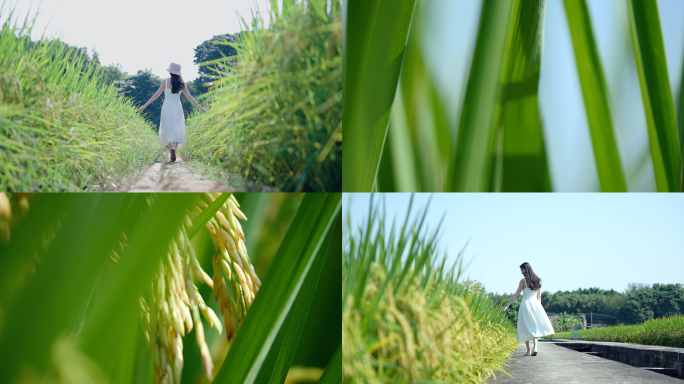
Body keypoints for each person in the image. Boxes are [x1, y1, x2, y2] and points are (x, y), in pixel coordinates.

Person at [139, 62, 205, 162]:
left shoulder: (165, 81)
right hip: (177, 107)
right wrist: (201, 108)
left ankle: (171, 152)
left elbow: (156, 94)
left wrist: (145, 105)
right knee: (177, 128)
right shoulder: (181, 83)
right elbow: (189, 97)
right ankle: (174, 148)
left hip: (167, 107)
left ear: (170, 72)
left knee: (168, 129)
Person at [503, 262, 555, 356]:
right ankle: (535, 347)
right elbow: (539, 297)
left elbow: (516, 295)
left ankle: (528, 350)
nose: (521, 272)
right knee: (536, 326)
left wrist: (507, 305)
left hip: (525, 304)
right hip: (535, 305)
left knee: (526, 326)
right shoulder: (538, 280)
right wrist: (539, 308)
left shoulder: (523, 281)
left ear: (525, 269)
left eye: (521, 270)